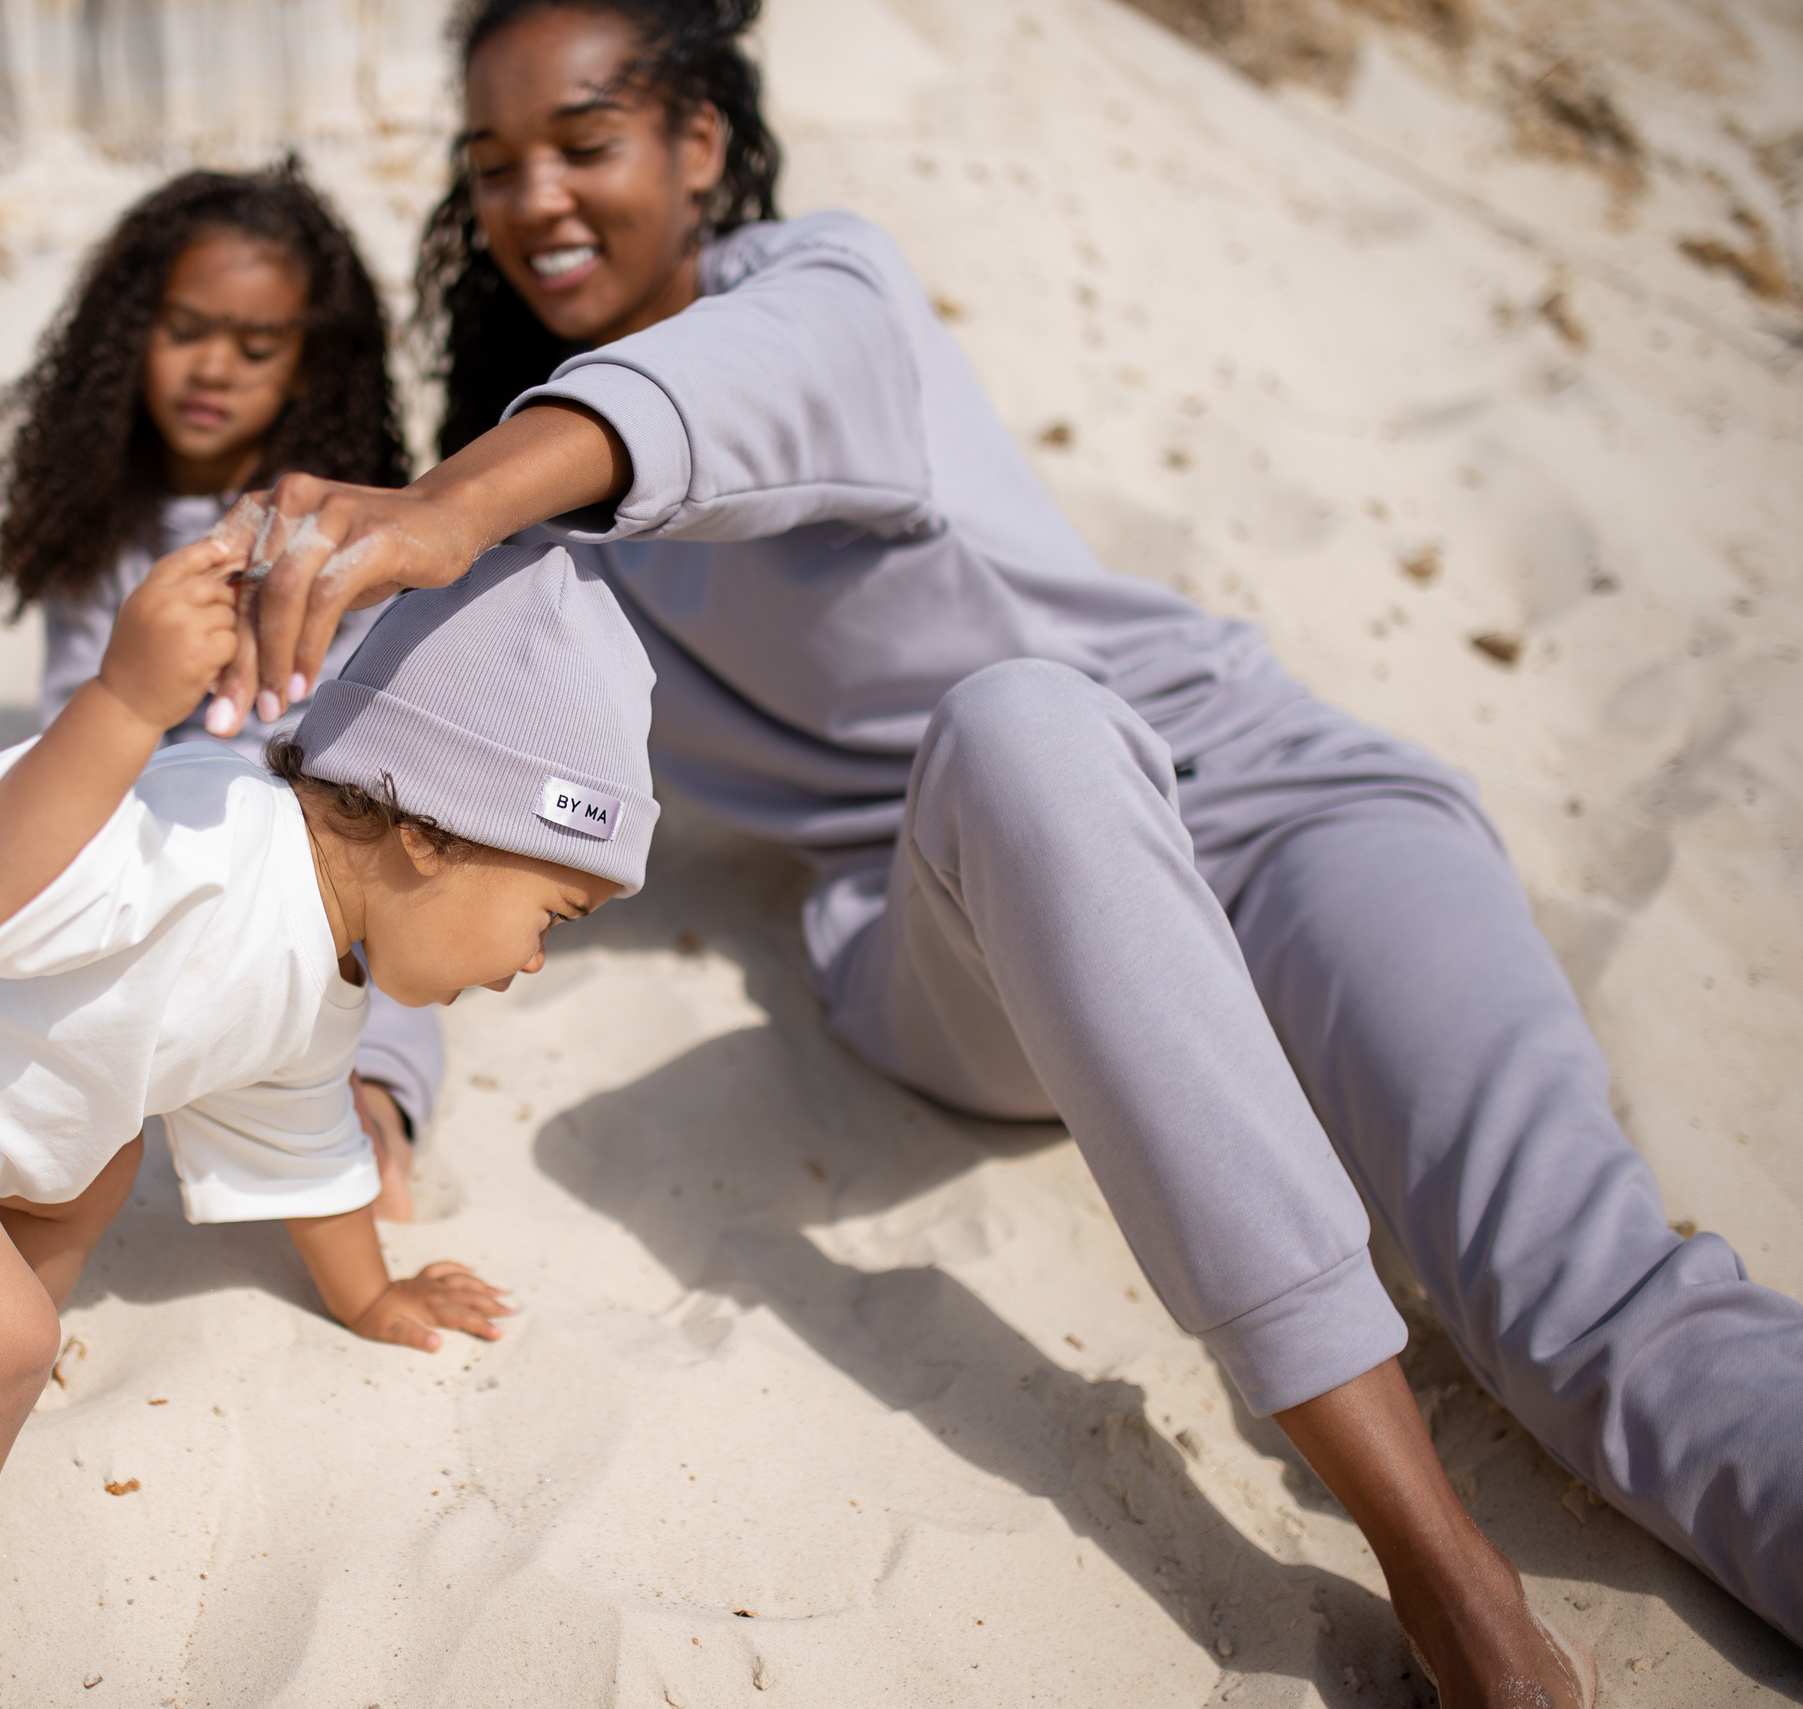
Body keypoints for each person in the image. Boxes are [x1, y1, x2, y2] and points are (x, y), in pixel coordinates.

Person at [209, 0, 1803, 1697]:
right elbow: (432, 806)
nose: (536, 198)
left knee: (1587, 1310)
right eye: (494, 162)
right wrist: (372, 1063)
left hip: (1276, 804)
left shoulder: (823, 292)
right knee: (1017, 730)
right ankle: (1445, 1569)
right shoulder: (555, 538)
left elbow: (717, 396)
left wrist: (454, 495)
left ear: (695, 143)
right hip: (957, 931)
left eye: (584, 142)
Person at [0, 537, 660, 1707]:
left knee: (106, 1150)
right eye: (552, 913)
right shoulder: (210, 840)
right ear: (431, 831)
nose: (535, 959)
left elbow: (305, 1146)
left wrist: (371, 1295)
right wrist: (125, 702)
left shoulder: (321, 979)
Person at [0, 160, 440, 1218]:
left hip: (308, 815)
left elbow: (357, 726)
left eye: (256, 344)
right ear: (128, 331)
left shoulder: (331, 523)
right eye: (186, 328)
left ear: (311, 363)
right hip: (143, 817)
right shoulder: (100, 517)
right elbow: (74, 711)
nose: (214, 367)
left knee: (369, 928)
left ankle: (372, 1107)